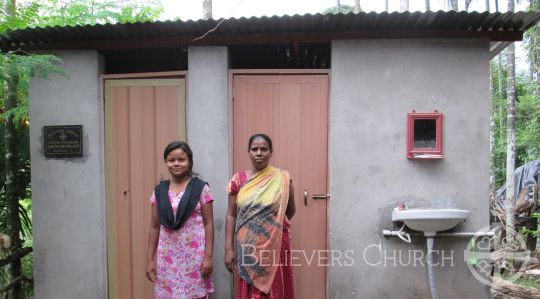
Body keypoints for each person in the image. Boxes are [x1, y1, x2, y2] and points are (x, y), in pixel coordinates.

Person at [225, 133, 296, 299]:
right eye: (254, 149)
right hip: (247, 245)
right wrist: (228, 249)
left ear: (271, 152)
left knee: (276, 287)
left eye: (263, 149)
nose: (259, 153)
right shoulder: (238, 179)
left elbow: (290, 211)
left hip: (275, 244)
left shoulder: (283, 178)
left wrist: (272, 227)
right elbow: (231, 214)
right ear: (249, 152)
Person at [146, 141, 214, 299]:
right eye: (171, 160)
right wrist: (150, 259)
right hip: (167, 260)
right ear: (166, 162)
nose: (176, 163)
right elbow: (154, 227)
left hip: (194, 259)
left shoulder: (200, 189)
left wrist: (208, 256)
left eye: (181, 159)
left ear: (189, 161)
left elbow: (208, 224)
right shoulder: (160, 191)